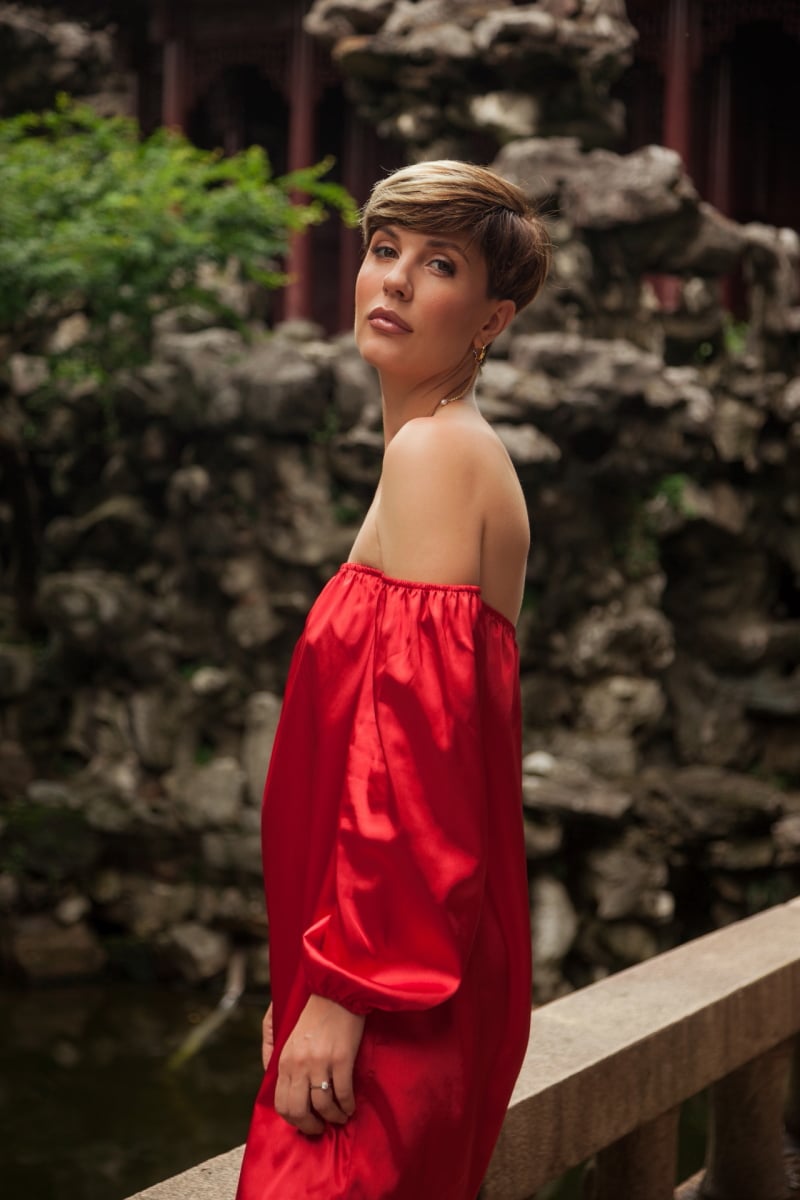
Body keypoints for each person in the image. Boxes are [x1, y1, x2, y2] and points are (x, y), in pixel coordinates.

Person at [236, 160, 551, 1200]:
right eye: (383, 251)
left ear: (489, 320)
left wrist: (342, 995)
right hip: (402, 963)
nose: (395, 281)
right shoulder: (436, 452)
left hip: (400, 984)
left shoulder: (437, 457)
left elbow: (414, 763)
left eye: (439, 263)